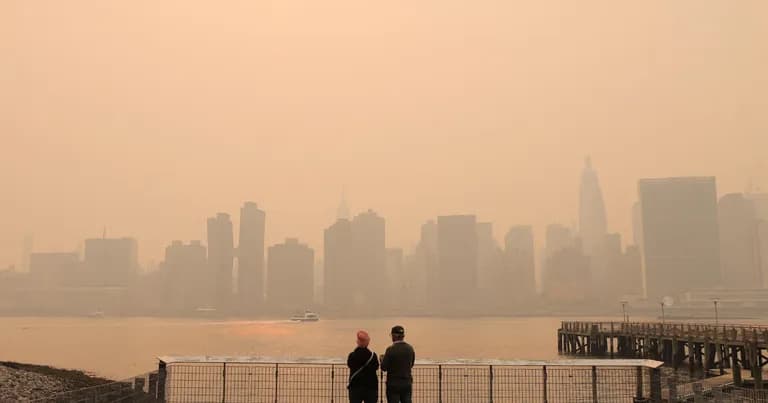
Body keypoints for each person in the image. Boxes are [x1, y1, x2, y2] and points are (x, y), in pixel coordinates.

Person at [381, 325, 415, 403]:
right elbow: (411, 364)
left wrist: (382, 359)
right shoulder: (410, 349)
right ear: (403, 336)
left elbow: (384, 367)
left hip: (393, 383)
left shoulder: (390, 350)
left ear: (394, 336)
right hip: (406, 382)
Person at [347, 330, 379, 403]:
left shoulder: (352, 356)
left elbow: (350, 365)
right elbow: (376, 367)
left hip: (355, 387)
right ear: (368, 343)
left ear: (357, 342)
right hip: (371, 387)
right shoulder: (373, 356)